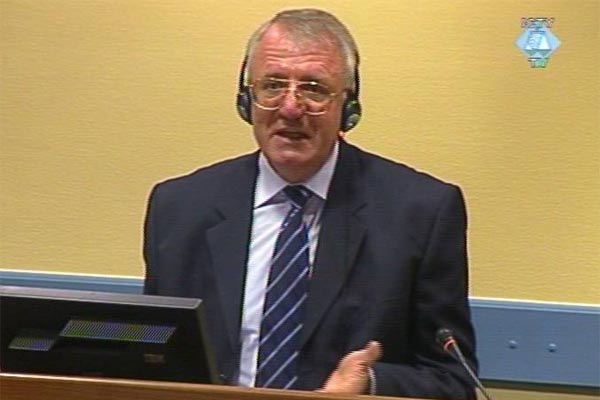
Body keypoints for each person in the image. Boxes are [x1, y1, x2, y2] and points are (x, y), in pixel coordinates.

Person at [144, 8, 477, 399]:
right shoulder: (180, 208)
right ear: (246, 100)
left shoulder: (421, 213)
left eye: (314, 89)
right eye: (272, 86)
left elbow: (455, 382)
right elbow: (153, 354)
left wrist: (371, 385)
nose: (289, 108)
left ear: (348, 108)